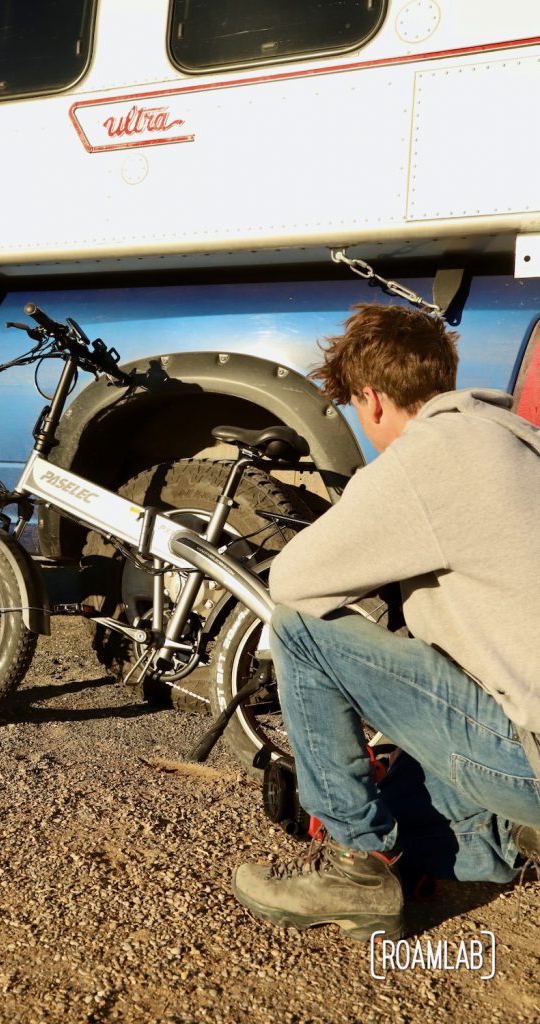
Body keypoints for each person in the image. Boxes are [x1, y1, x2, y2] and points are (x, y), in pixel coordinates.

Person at [232, 302, 540, 942]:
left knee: (300, 630)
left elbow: (294, 582)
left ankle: (355, 868)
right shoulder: (515, 441)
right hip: (521, 733)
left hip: (527, 761)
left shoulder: (429, 455)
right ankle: (493, 845)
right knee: (402, 804)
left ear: (372, 399)